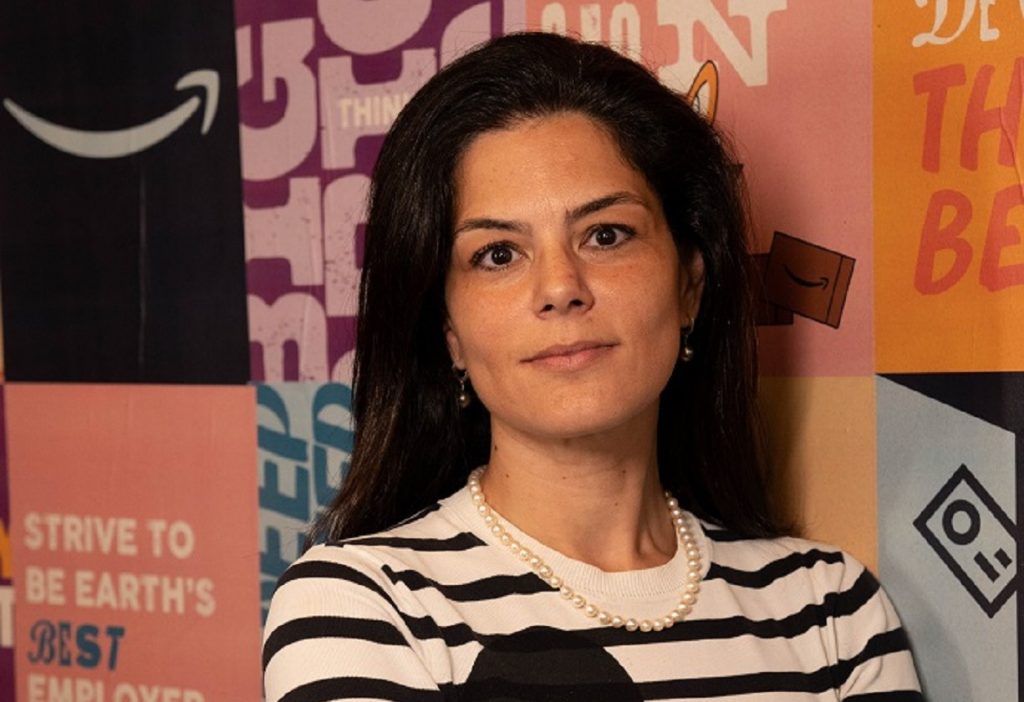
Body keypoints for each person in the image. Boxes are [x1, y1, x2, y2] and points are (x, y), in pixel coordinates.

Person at [262, 32, 921, 701]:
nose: (560, 287)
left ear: (689, 287)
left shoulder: (831, 610)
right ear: (449, 331)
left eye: (606, 235)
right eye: (498, 254)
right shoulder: (364, 607)